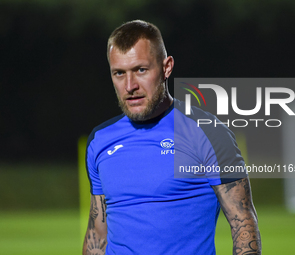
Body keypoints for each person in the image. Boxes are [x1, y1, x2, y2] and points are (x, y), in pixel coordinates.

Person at [83, 20, 261, 255]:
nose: (130, 85)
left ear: (166, 67)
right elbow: (98, 233)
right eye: (119, 73)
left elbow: (243, 223)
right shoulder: (100, 140)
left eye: (141, 70)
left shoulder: (207, 133)